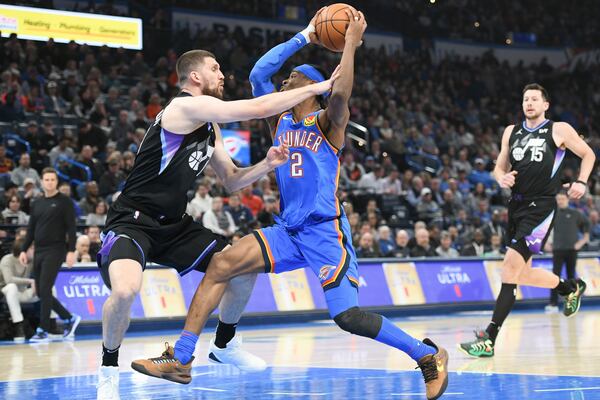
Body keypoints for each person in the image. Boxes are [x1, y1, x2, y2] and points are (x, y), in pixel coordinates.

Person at [132, 10, 448, 400]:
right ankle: (181, 358)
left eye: (294, 77)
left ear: (314, 87)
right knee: (222, 264)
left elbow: (342, 92)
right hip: (288, 230)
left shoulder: (328, 122)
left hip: (324, 230)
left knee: (347, 317)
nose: (285, 80)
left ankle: (426, 355)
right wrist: (307, 36)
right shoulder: (278, 121)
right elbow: (257, 76)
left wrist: (349, 43)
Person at [95, 48, 338, 399]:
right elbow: (255, 109)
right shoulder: (184, 107)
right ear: (196, 77)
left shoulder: (210, 127)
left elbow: (232, 180)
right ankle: (108, 368)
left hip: (174, 224)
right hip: (133, 221)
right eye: (215, 68)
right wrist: (318, 88)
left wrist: (267, 164)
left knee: (241, 263)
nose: (222, 74)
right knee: (124, 290)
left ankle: (224, 344)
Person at [459, 83, 595, 358]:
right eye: (525, 99)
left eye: (534, 99)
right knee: (523, 273)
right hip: (516, 207)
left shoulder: (559, 129)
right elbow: (500, 165)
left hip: (541, 207)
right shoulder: (512, 131)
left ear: (545, 104)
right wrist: (501, 177)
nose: (529, 103)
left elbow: (588, 154)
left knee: (509, 269)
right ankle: (570, 288)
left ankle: (489, 339)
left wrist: (581, 181)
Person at [19, 167, 81, 342]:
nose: (49, 182)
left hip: (56, 250)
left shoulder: (64, 202)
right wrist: (24, 249)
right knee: (41, 292)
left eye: (52, 180)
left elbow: (71, 228)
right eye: (46, 179)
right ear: (42, 182)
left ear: (57, 182)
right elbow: (31, 229)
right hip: (39, 250)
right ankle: (69, 318)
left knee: (45, 289)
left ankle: (43, 330)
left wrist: (71, 250)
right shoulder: (37, 203)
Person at [544, 191, 589, 313]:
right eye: (558, 199)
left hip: (571, 250)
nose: (560, 201)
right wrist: (546, 243)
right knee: (554, 277)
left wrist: (582, 241)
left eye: (562, 199)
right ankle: (553, 303)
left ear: (567, 199)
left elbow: (587, 226)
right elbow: (545, 229)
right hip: (557, 249)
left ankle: (572, 303)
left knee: (571, 276)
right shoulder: (552, 214)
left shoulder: (575, 213)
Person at [0, 238, 36, 342]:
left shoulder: (32, 261)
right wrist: (30, 281)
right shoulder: (7, 259)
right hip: (5, 293)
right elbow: (9, 279)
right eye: (32, 248)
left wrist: (38, 282)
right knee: (12, 287)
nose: (35, 250)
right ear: (23, 249)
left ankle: (51, 324)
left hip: (23, 293)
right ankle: (18, 326)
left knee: (49, 287)